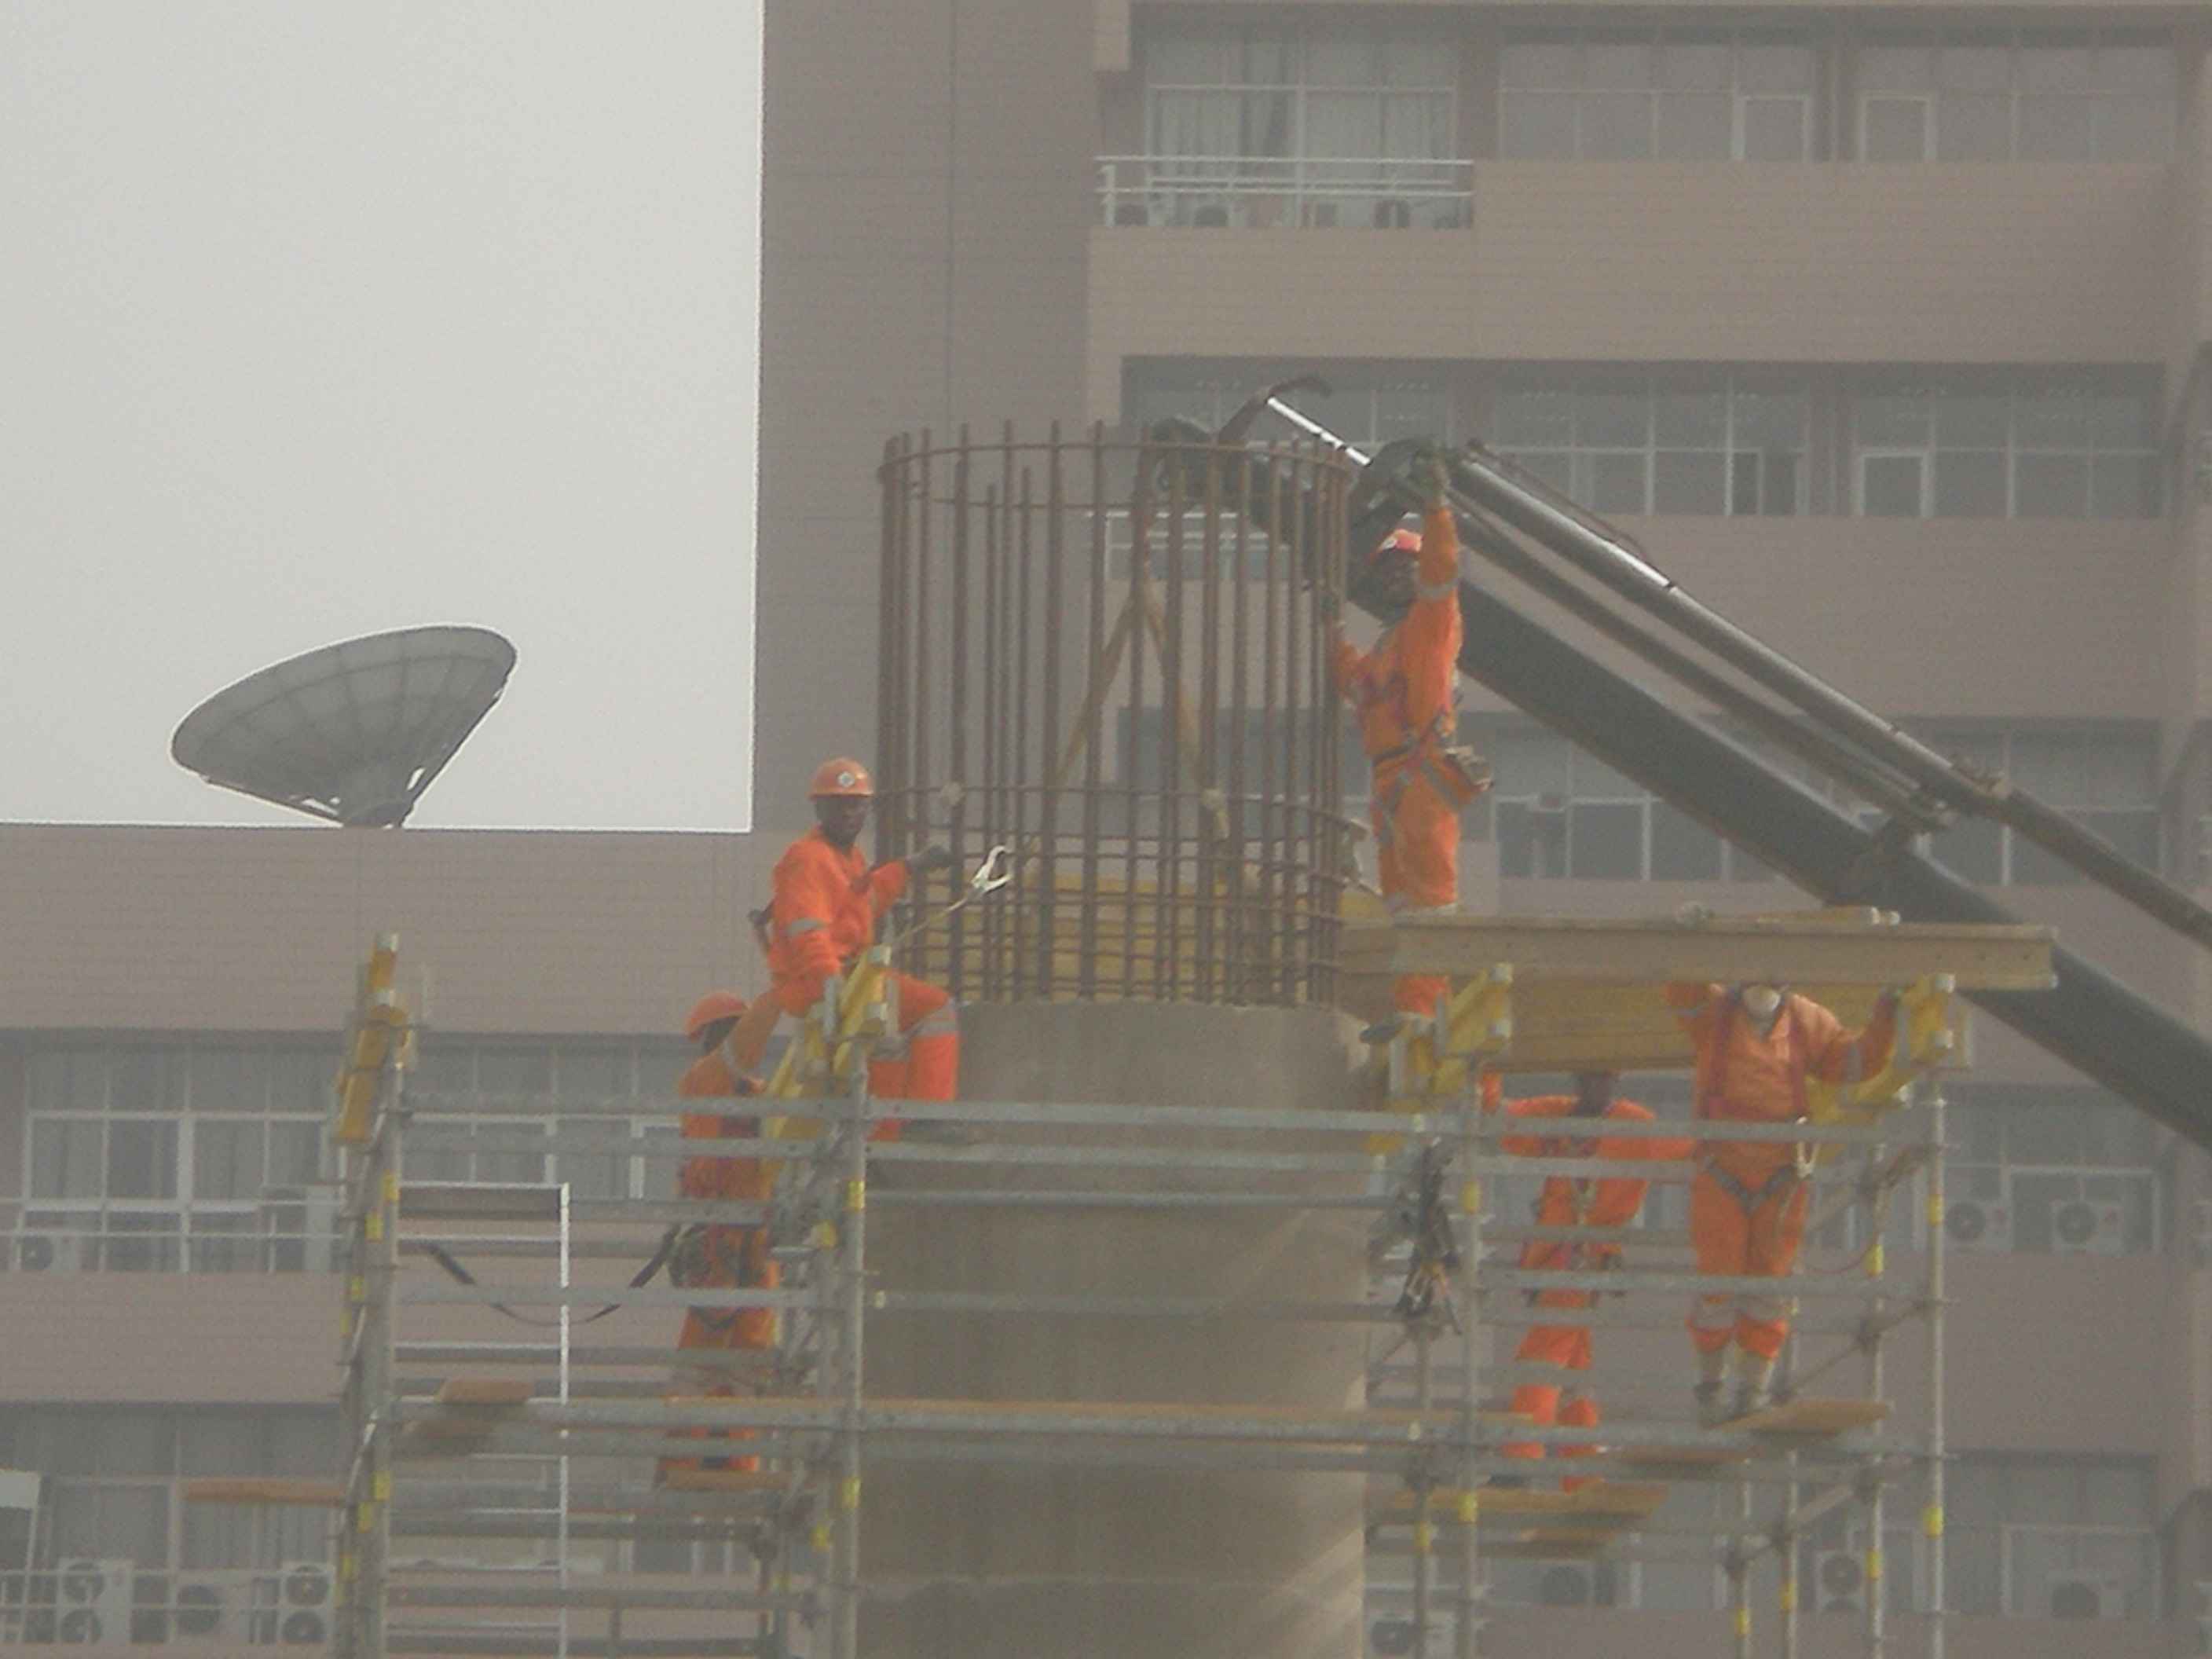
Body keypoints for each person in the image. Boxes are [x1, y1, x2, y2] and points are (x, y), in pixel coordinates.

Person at [1667, 979, 1899, 1423]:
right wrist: (1694, 935)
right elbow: (1680, 982)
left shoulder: (1806, 1020)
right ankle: (1711, 1390)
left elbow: (1853, 1061)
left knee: (1770, 1286)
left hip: (1780, 1177)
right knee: (1718, 1283)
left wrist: (1885, 1019)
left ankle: (1751, 1391)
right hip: (1723, 1171)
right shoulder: (1714, 1014)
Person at [1331, 449, 1485, 1024]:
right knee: (1403, 908)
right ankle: (1412, 1009)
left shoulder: (1432, 624)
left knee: (1428, 909)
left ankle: (1425, 1015)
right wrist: (1328, 626)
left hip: (1422, 778)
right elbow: (1354, 680)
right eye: (1387, 569)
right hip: (1392, 783)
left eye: (1405, 567)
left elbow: (1443, 570)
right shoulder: (1388, 647)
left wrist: (1437, 510)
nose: (1397, 576)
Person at [1491, 1071, 1690, 1485]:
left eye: (1600, 1079)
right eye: (1587, 1078)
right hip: (1557, 1263)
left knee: (1541, 1360)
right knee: (1573, 1370)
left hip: (1577, 1265)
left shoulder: (1634, 1127)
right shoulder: (1559, 1115)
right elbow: (1501, 1120)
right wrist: (1487, 1070)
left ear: (1613, 1082)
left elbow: (1695, 1146)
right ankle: (1581, 1472)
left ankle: (1520, 1459)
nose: (1591, 1088)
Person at [764, 757, 958, 1127]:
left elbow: (865, 901)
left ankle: (883, 1137)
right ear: (820, 808)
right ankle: (930, 1119)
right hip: (827, 980)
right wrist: (832, 984)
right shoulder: (808, 858)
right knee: (938, 1010)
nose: (849, 812)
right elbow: (808, 931)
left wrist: (910, 866)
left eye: (856, 804)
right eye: (839, 804)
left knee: (886, 1038)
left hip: (842, 978)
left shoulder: (847, 859)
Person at [661, 991, 775, 1480]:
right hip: (724, 1236)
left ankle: (729, 1463)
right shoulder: (710, 1077)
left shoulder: (750, 1092)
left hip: (751, 1236)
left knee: (745, 1359)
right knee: (709, 1356)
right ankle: (692, 1461)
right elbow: (707, 1165)